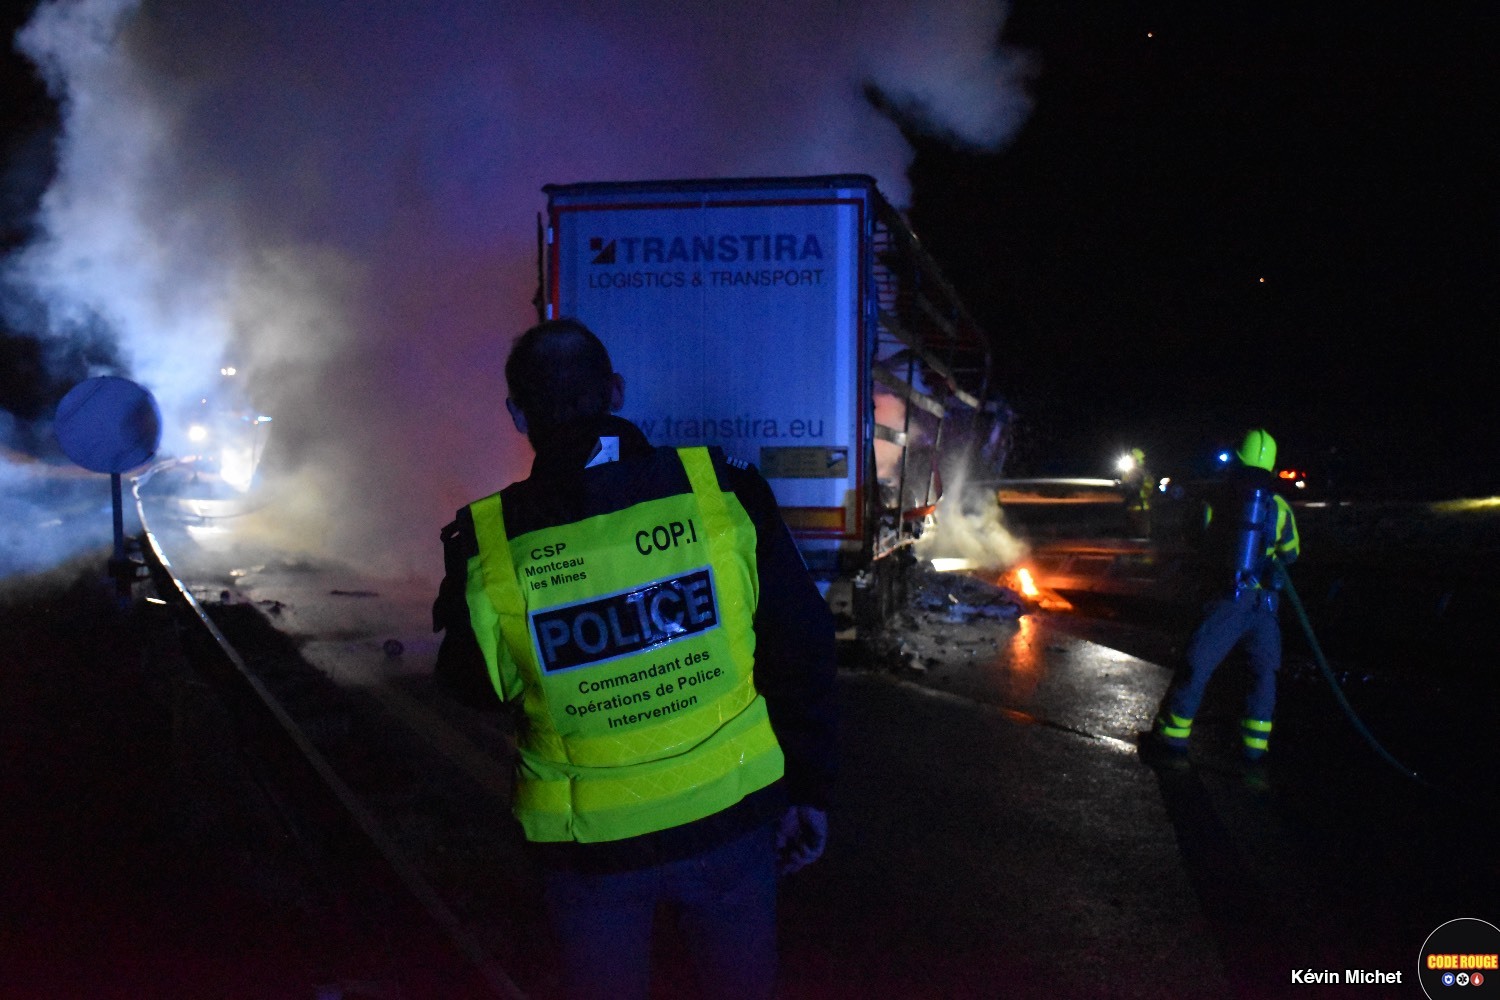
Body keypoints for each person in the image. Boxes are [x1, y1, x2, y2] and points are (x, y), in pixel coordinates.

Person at [431, 318, 838, 1000]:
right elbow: (800, 645)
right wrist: (812, 793)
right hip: (731, 826)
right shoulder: (721, 490)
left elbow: (472, 684)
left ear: (515, 412)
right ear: (615, 392)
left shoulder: (489, 540)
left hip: (589, 852)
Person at [1149, 428, 1300, 762]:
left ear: (1238, 459)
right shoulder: (1280, 509)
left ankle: (1171, 738)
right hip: (1266, 607)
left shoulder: (1214, 501)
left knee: (1198, 665)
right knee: (1263, 675)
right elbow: (1291, 554)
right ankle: (1254, 748)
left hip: (1228, 601)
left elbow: (1195, 538)